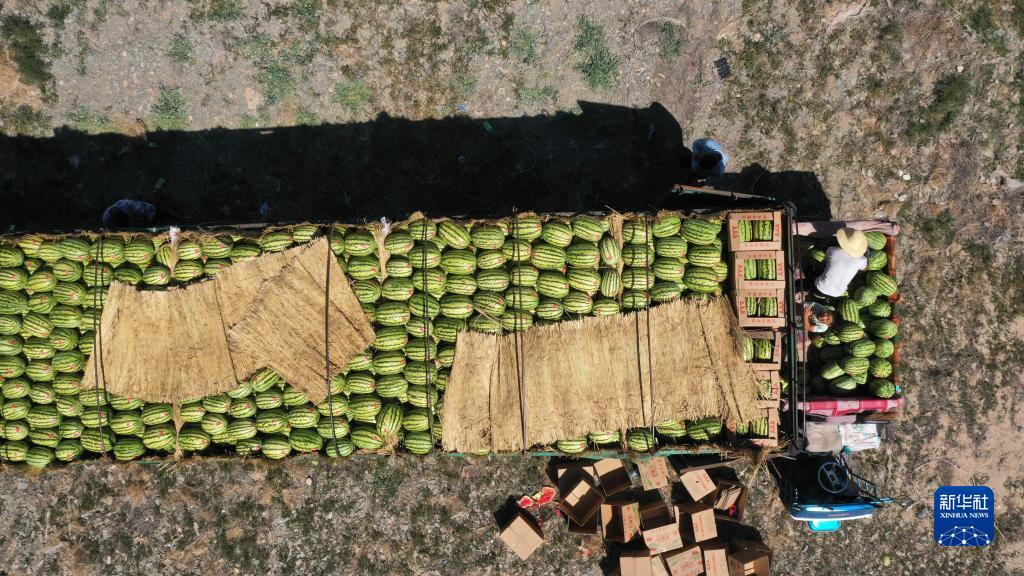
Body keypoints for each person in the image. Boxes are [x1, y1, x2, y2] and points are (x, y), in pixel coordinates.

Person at [814, 228, 868, 300]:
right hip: (838, 294)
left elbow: (824, 263)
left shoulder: (832, 250)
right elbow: (865, 269)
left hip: (819, 287)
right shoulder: (862, 260)